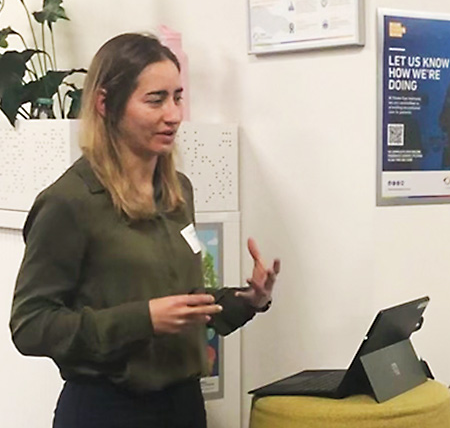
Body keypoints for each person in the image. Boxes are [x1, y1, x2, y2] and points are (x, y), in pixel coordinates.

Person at [9, 33, 280, 428]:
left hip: (183, 406)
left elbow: (186, 303)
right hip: (108, 410)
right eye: (155, 100)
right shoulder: (70, 202)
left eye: (177, 97)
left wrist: (247, 300)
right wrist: (142, 320)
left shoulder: (177, 192)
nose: (173, 114)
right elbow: (31, 325)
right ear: (105, 104)